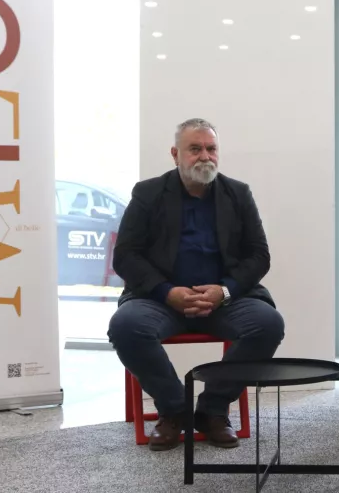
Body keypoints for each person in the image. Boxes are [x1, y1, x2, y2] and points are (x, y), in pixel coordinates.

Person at [108, 118, 285, 451]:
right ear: (175, 154)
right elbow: (126, 256)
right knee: (126, 327)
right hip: (160, 300)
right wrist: (167, 292)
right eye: (195, 149)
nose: (205, 156)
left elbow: (259, 255)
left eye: (211, 148)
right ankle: (174, 411)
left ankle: (212, 410)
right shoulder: (148, 193)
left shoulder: (238, 193)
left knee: (267, 324)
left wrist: (225, 290)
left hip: (224, 300)